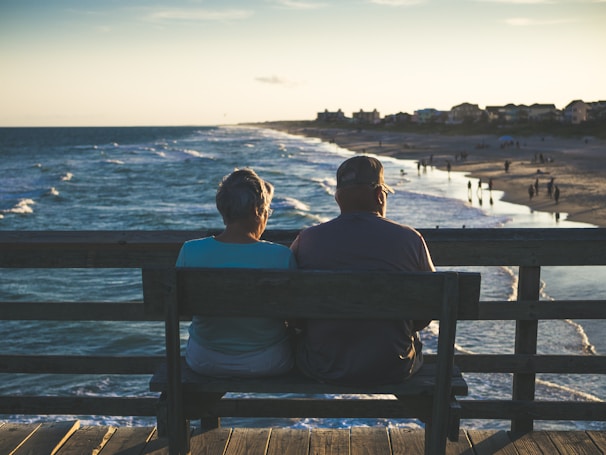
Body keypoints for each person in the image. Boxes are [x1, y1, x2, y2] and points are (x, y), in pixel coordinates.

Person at [290, 156, 435, 386]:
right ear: (379, 195)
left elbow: (291, 310)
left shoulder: (307, 240)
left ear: (338, 198)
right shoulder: (411, 239)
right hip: (393, 366)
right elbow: (428, 308)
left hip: (323, 366)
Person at [176, 168, 296, 377]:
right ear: (255, 210)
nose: (267, 216)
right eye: (267, 210)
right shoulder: (280, 256)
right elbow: (296, 317)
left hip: (204, 360)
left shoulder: (190, 251)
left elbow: (182, 310)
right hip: (267, 362)